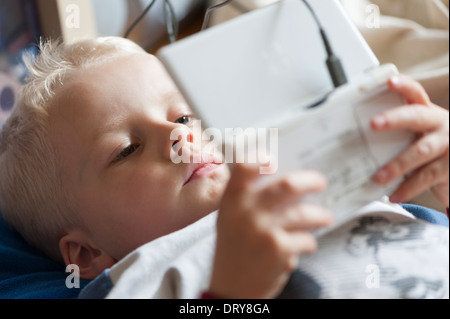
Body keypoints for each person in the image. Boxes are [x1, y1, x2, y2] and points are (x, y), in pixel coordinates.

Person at [0, 37, 448, 299]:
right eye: (127, 149)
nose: (180, 137)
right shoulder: (141, 277)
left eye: (184, 116)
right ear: (87, 255)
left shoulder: (323, 188)